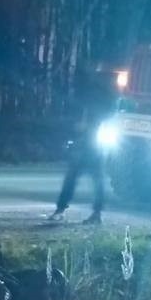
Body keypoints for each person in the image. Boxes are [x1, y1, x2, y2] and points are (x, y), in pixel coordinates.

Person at [48, 65, 117, 225]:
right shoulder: (99, 93)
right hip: (89, 142)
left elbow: (93, 115)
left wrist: (83, 126)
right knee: (90, 178)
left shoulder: (92, 94)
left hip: (90, 142)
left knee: (81, 177)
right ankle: (95, 212)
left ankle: (64, 210)